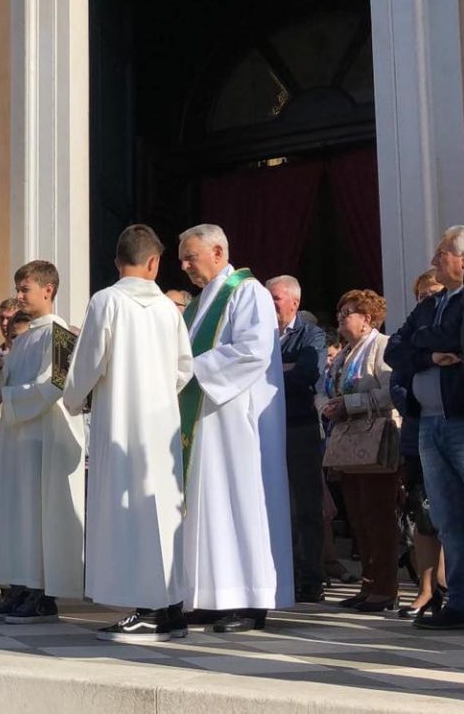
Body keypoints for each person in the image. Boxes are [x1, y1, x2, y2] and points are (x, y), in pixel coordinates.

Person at [63, 224, 194, 641]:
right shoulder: (169, 310)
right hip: (162, 424)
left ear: (117, 261)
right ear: (154, 262)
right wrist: (159, 393)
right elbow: (184, 368)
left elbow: (88, 361)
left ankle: (148, 607)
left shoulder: (106, 301)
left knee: (129, 512)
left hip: (120, 422)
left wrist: (73, 399)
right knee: (162, 512)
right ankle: (170, 609)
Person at [386, 226, 464, 631]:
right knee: (449, 520)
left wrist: (422, 342)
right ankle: (462, 602)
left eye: (442, 253)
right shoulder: (431, 304)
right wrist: (430, 354)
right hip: (428, 423)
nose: (434, 260)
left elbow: (459, 336)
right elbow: (394, 349)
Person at [177, 224, 293, 633]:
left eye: (190, 257)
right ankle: (215, 596)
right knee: (209, 507)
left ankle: (250, 599)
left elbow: (252, 351)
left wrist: (189, 370)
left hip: (236, 420)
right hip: (205, 421)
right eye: (182, 259)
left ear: (218, 252)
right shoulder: (198, 304)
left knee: (240, 502)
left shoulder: (248, 292)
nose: (184, 266)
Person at [0, 260, 86, 624]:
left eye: (25, 289)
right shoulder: (23, 338)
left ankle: (42, 593)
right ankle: (20, 585)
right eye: (18, 289)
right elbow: (6, 384)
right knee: (17, 515)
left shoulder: (60, 334)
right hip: (17, 440)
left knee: (39, 517)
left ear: (48, 290)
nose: (19, 296)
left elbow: (55, 385)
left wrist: (7, 396)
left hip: (45, 440)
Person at [317, 290, 402, 613]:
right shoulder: (344, 354)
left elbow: (391, 392)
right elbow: (325, 389)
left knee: (378, 515)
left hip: (375, 440)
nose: (341, 318)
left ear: (367, 319)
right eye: (340, 312)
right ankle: (368, 583)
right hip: (347, 442)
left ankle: (386, 587)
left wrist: (350, 403)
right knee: (358, 517)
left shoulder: (381, 347)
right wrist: (326, 405)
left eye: (348, 313)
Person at [267, 275, 327, 603]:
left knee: (306, 506)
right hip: (267, 429)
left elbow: (307, 374)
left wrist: (267, 373)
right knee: (275, 506)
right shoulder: (260, 333)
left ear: (294, 302)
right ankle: (280, 575)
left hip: (299, 427)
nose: (269, 304)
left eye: (275, 298)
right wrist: (283, 368)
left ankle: (311, 578)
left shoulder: (311, 334)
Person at [390, 270, 445, 619]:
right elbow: (396, 365)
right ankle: (427, 590)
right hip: (417, 431)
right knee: (421, 514)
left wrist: (419, 354)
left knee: (457, 515)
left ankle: (455, 586)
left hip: (454, 425)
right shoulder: (413, 327)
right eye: (422, 295)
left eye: (434, 292)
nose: (428, 299)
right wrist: (428, 358)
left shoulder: (456, 316)